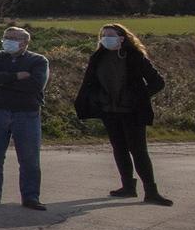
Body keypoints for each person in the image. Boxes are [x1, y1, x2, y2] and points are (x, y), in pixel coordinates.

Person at [74, 24, 172, 206]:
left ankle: (151, 191)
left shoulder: (135, 57)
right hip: (109, 111)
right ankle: (127, 186)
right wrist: (97, 99)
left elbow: (157, 82)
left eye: (110, 35)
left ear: (122, 38)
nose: (105, 38)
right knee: (119, 149)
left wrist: (138, 97)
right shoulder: (98, 57)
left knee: (138, 151)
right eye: (103, 35)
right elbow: (90, 83)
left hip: (132, 112)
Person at [0, 25, 50, 210]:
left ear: (25, 43)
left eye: (13, 38)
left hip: (26, 114)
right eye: (6, 37)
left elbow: (35, 85)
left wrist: (2, 81)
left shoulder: (38, 61)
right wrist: (16, 76)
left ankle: (31, 197)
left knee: (29, 158)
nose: (8, 41)